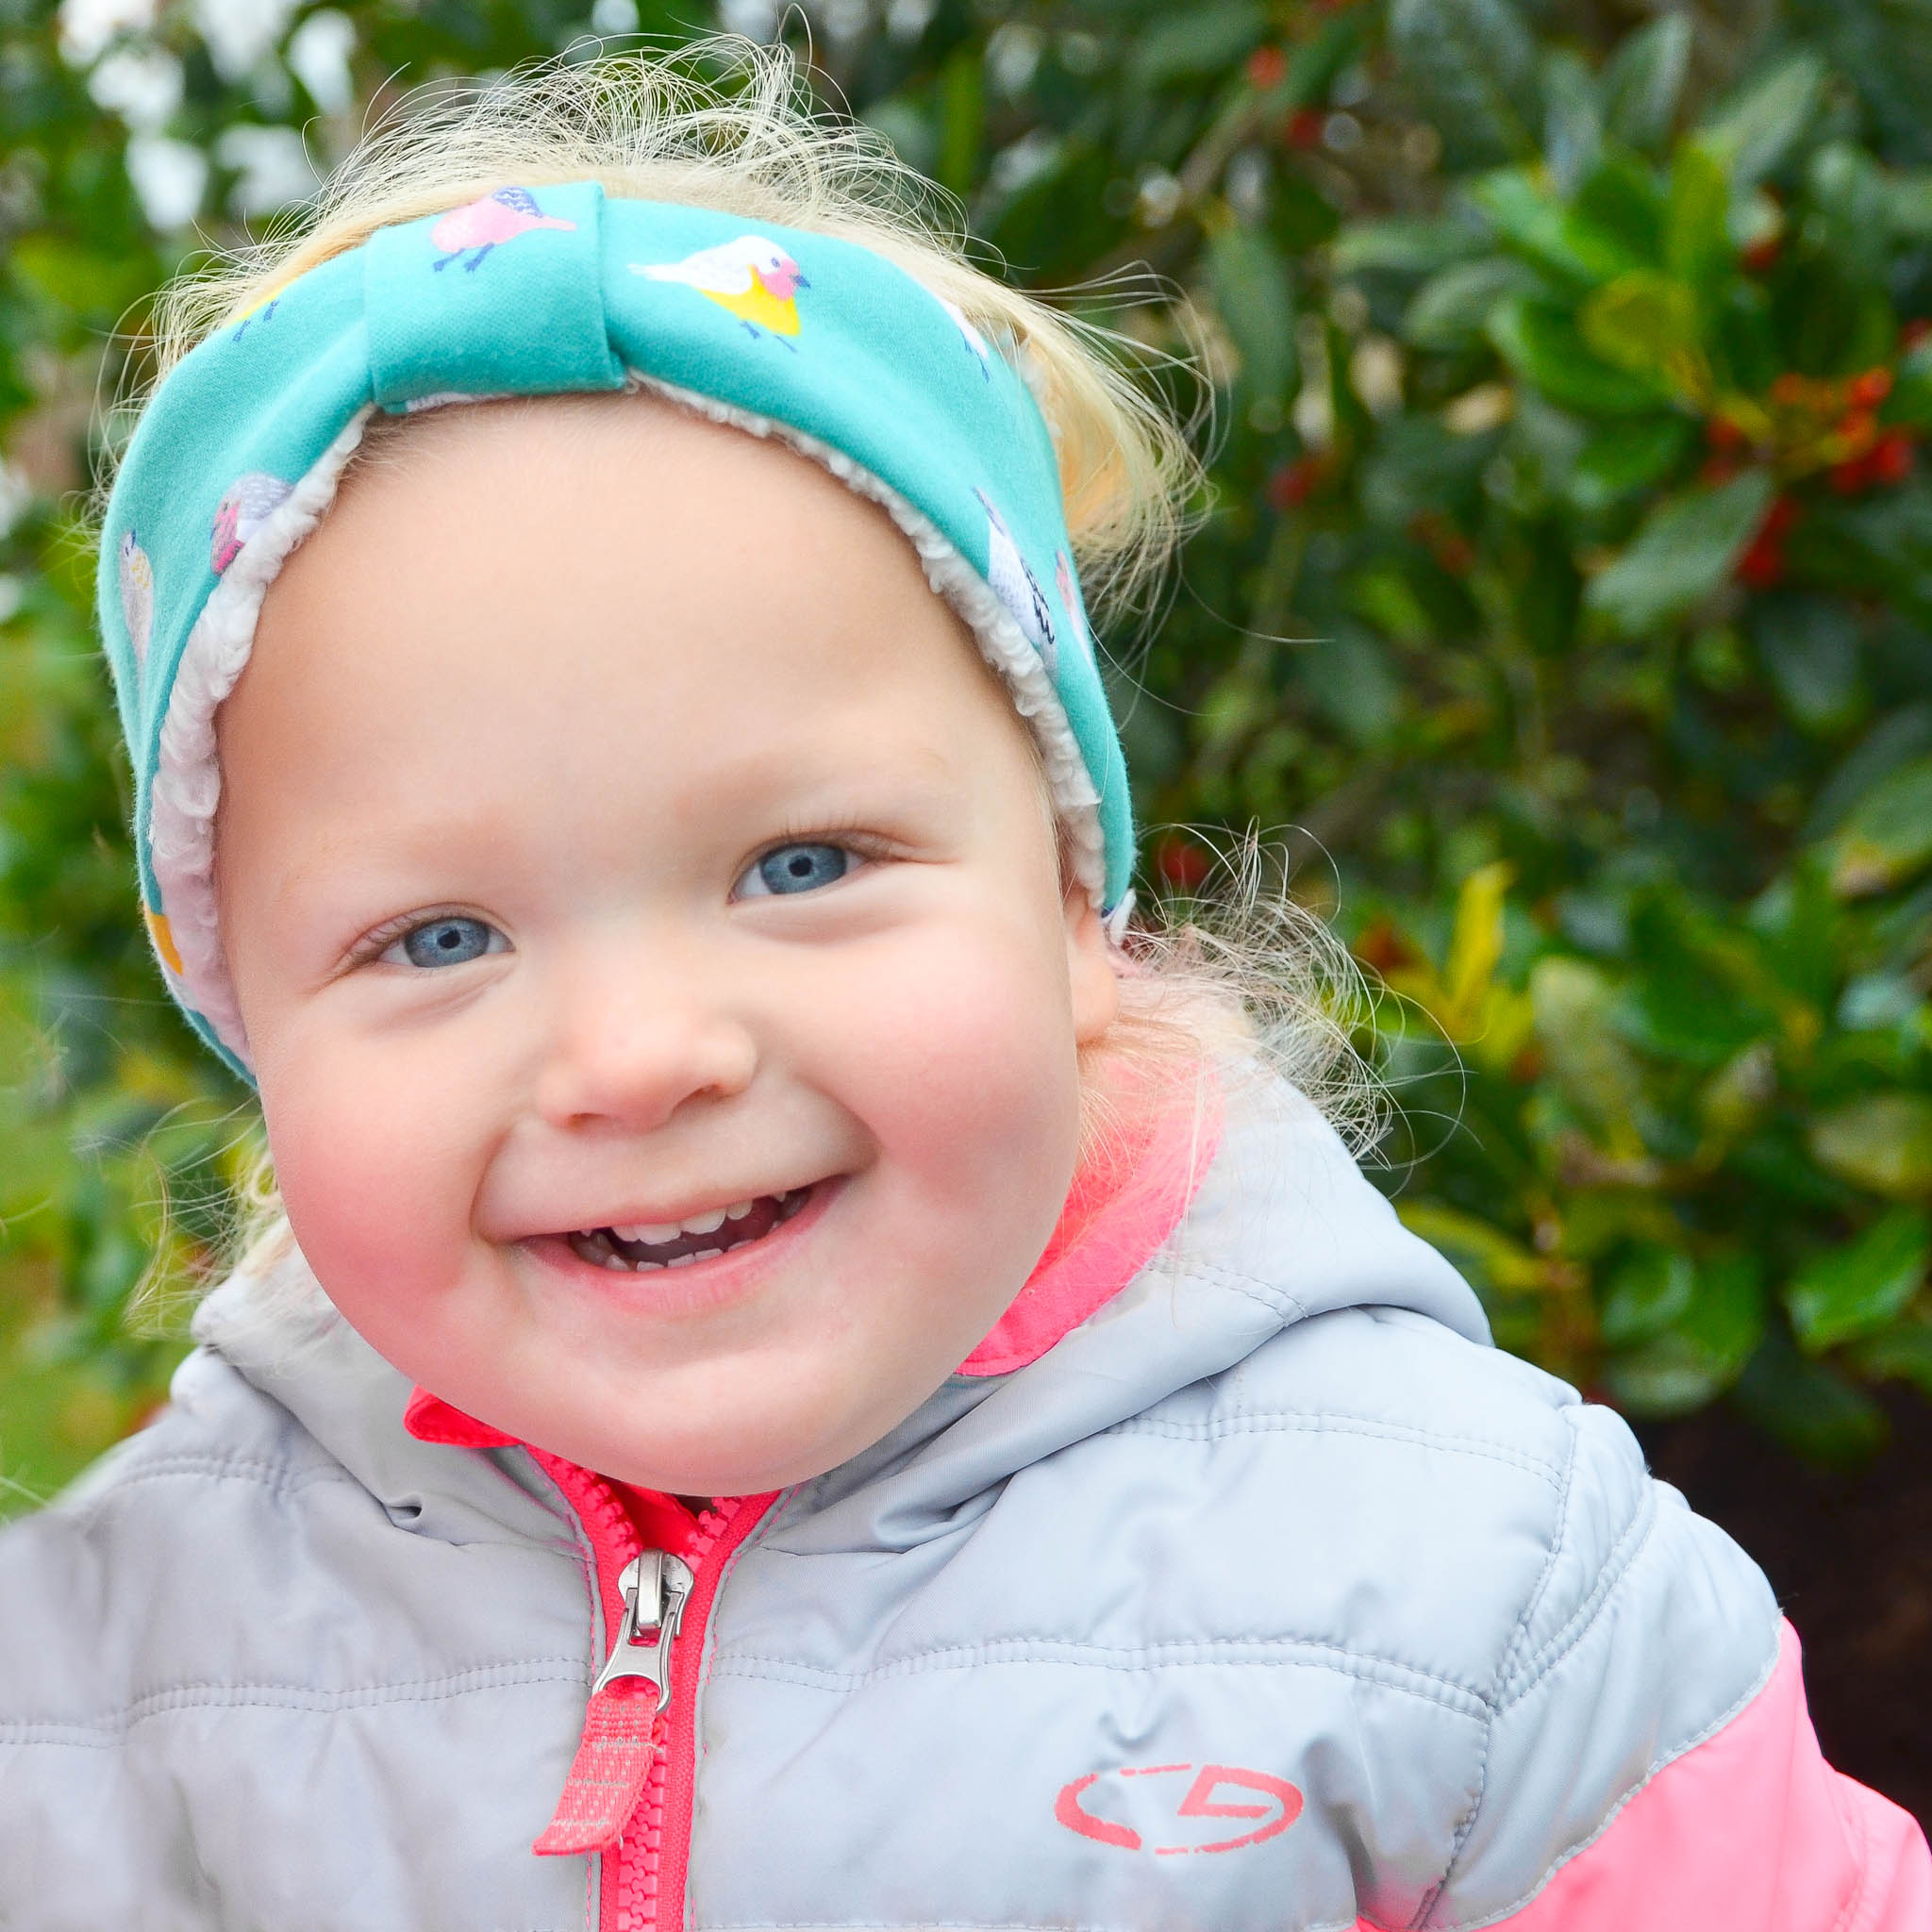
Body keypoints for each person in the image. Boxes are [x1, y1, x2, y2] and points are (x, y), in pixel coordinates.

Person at [1, 41, 1925, 1932]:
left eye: (803, 864)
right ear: (249, 1023)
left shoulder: (1469, 1604)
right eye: (438, 939)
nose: (643, 1055)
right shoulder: (123, 1670)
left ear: (1074, 904)